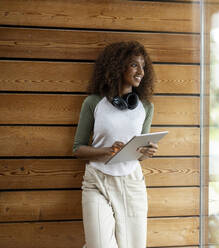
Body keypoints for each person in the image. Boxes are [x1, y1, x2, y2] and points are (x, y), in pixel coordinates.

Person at [72, 41, 158, 248]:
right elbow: (78, 148)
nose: (141, 72)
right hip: (97, 182)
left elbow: (139, 153)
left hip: (132, 183)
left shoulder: (146, 107)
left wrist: (147, 152)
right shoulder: (93, 103)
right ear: (118, 66)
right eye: (134, 65)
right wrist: (106, 151)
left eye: (143, 66)